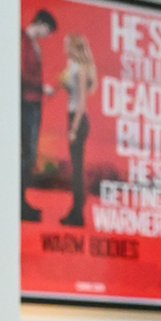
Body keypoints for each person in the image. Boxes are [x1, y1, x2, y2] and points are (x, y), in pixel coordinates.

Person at [20, 8, 56, 222]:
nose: (46, 35)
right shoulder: (22, 40)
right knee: (27, 154)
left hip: (33, 103)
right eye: (47, 30)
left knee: (30, 155)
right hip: (26, 102)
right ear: (41, 24)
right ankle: (18, 203)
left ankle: (21, 201)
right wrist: (43, 88)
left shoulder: (31, 43)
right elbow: (21, 74)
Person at [58, 33, 97, 227]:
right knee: (76, 169)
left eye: (67, 44)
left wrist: (73, 129)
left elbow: (81, 103)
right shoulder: (74, 66)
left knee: (77, 170)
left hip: (78, 120)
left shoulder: (80, 69)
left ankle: (77, 214)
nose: (64, 47)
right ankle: (76, 212)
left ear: (74, 47)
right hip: (75, 118)